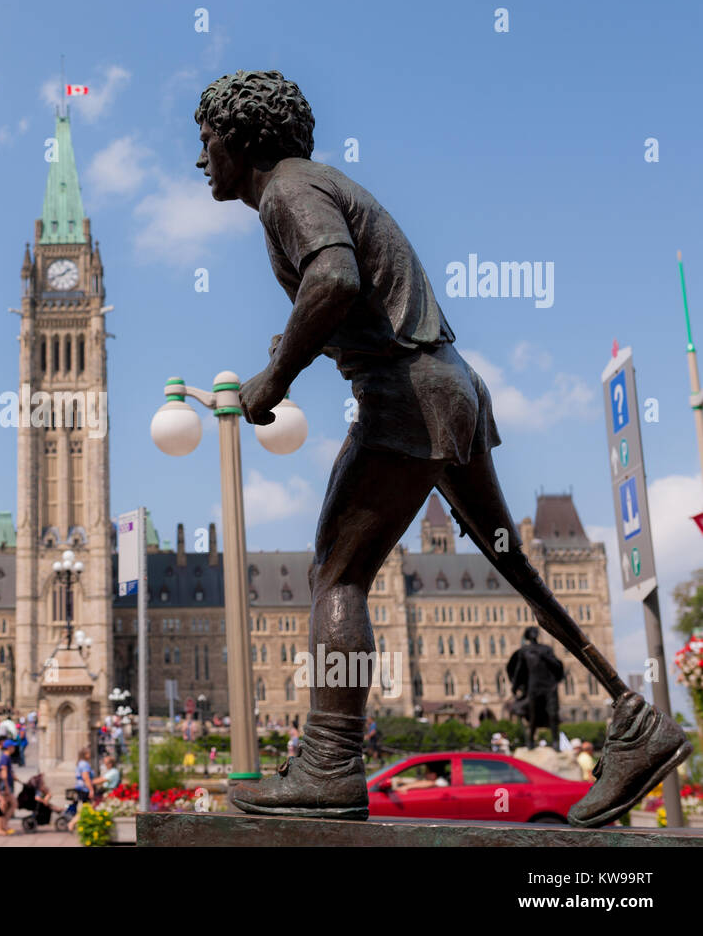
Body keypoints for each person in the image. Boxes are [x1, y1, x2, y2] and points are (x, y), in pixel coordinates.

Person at [193, 68, 690, 827]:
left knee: (338, 575)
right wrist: (302, 344)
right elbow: (355, 294)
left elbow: (333, 276)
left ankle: (330, 761)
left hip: (406, 397)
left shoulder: (288, 190)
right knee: (511, 559)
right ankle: (637, 720)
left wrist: (276, 374)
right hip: (451, 386)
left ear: (243, 138)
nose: (201, 159)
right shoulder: (319, 184)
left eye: (207, 139)